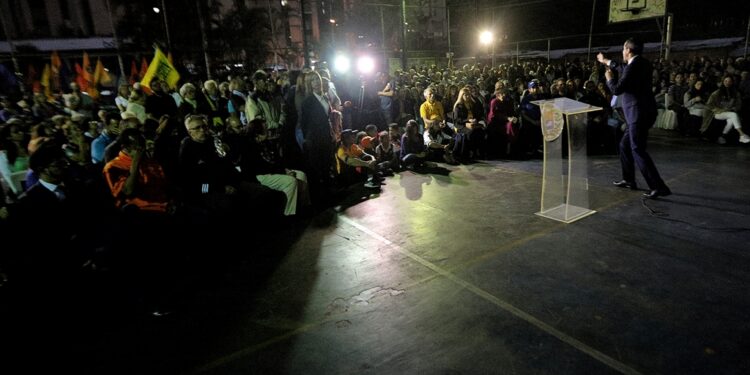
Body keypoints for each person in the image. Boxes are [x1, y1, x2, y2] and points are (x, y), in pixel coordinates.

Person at [597, 38, 671, 199]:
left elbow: (617, 89)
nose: (622, 52)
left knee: (637, 149)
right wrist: (607, 61)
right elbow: (623, 66)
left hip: (638, 114)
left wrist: (609, 78)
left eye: (623, 49)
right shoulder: (642, 63)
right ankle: (629, 179)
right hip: (644, 112)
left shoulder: (632, 68)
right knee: (624, 145)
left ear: (628, 50)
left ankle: (658, 187)